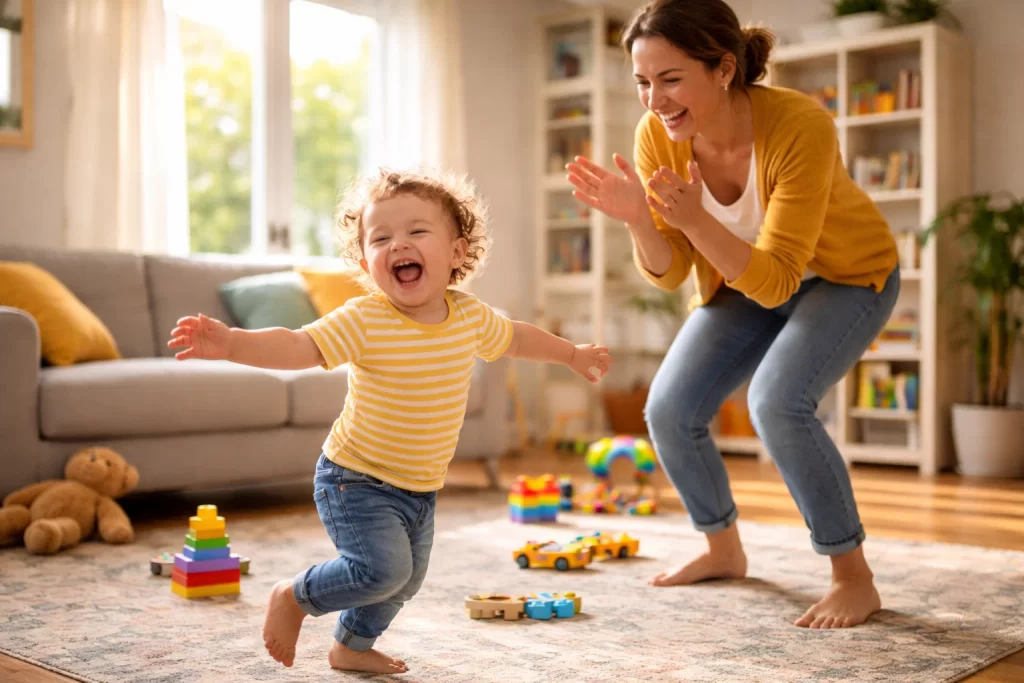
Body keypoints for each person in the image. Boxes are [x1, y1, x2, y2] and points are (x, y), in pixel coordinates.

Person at [167, 168, 612, 674]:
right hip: (353, 479)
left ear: (457, 252)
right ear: (365, 262)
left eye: (417, 231)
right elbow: (298, 346)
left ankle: (351, 646)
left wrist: (571, 354)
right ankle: (294, 596)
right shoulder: (364, 319)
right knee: (382, 569)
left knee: (405, 579)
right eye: (381, 238)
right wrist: (233, 344)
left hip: (419, 488)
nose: (398, 243)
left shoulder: (469, 317)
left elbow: (518, 338)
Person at [566, 0, 899, 630]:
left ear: (723, 69)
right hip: (742, 284)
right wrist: (641, 218)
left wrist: (691, 216)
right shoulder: (655, 136)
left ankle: (853, 577)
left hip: (847, 276)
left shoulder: (800, 124)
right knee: (669, 408)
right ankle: (723, 547)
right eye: (642, 82)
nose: (654, 100)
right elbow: (668, 271)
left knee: (777, 402)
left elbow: (777, 281)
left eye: (670, 79)